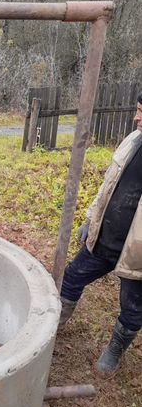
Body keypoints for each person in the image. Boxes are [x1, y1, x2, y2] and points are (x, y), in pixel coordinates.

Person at [58, 93, 142, 374]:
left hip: (138, 253)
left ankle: (115, 350)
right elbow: (108, 186)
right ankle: (56, 322)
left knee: (132, 308)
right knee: (72, 276)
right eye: (137, 110)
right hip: (106, 238)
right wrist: (91, 219)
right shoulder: (132, 141)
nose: (136, 117)